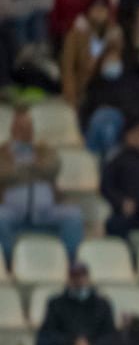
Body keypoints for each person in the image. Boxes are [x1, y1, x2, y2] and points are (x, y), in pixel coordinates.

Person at [0, 108, 86, 259]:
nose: (24, 130)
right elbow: (4, 174)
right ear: (12, 128)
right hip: (12, 210)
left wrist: (20, 170)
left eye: (28, 127)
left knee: (73, 215)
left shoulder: (43, 149)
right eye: (20, 127)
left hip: (46, 210)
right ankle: (7, 261)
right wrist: (34, 169)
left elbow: (53, 167)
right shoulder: (3, 151)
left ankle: (70, 263)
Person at [33, 262, 128, 345]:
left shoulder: (103, 304)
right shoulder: (55, 303)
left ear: (88, 278)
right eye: (75, 276)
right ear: (69, 278)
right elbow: (49, 332)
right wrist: (72, 344)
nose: (78, 280)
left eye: (82, 276)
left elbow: (109, 334)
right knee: (44, 343)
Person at [79, 42, 139, 157]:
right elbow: (85, 114)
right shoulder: (95, 86)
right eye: (108, 60)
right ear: (102, 63)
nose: (112, 63)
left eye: (115, 60)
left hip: (130, 133)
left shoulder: (135, 83)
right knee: (106, 117)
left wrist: (136, 126)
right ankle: (113, 155)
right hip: (100, 136)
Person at [59, 0, 121, 111]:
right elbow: (67, 65)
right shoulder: (76, 34)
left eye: (103, 9)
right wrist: (70, 92)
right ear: (89, 11)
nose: (99, 12)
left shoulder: (115, 32)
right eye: (96, 9)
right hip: (84, 87)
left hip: (108, 87)